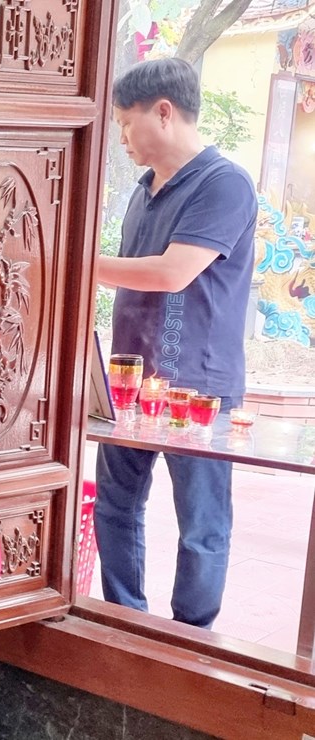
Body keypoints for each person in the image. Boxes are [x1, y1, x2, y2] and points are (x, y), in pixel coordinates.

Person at [95, 58, 257, 629]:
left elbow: (171, 273)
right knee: (115, 507)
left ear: (164, 112)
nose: (121, 136)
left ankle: (192, 636)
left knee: (202, 524)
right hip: (129, 382)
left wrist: (76, 261)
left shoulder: (225, 183)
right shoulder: (142, 192)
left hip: (198, 386)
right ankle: (127, 621)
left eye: (125, 121)